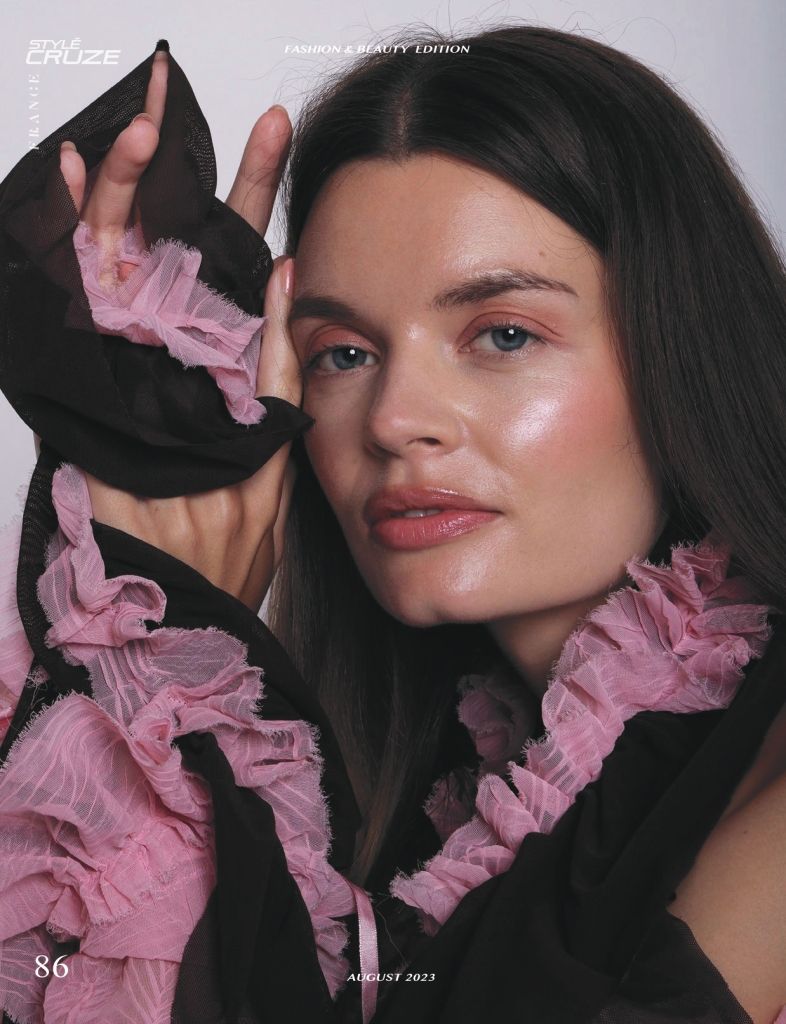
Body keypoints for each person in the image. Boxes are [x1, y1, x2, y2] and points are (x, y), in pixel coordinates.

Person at [0, 23, 785, 1024]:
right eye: (342, 353)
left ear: (684, 348)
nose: (394, 420)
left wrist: (159, 670)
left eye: (504, 334)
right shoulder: (419, 830)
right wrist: (138, 626)